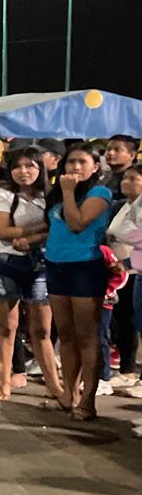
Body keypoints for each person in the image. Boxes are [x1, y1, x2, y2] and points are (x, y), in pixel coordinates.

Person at [0, 148, 60, 401]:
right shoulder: (1, 194)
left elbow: (59, 228)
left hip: (40, 265)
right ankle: (4, 382)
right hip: (4, 264)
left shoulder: (49, 197)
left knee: (42, 330)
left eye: (30, 166)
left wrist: (32, 239)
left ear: (41, 169)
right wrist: (44, 225)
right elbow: (3, 232)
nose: (23, 171)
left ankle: (55, 385)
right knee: (6, 328)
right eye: (17, 166)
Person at [44, 144, 113, 419]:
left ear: (95, 167)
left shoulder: (99, 193)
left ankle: (88, 401)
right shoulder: (59, 194)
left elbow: (76, 224)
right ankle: (68, 394)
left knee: (87, 335)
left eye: (82, 162)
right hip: (55, 266)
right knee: (66, 334)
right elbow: (54, 227)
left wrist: (68, 192)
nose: (75, 167)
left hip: (84, 267)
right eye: (71, 161)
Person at [107, 165, 142, 386]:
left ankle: (132, 371)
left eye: (133, 178)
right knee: (125, 320)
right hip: (121, 272)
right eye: (125, 178)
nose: (125, 182)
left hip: (133, 270)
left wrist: (126, 263)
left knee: (132, 321)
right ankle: (127, 370)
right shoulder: (120, 205)